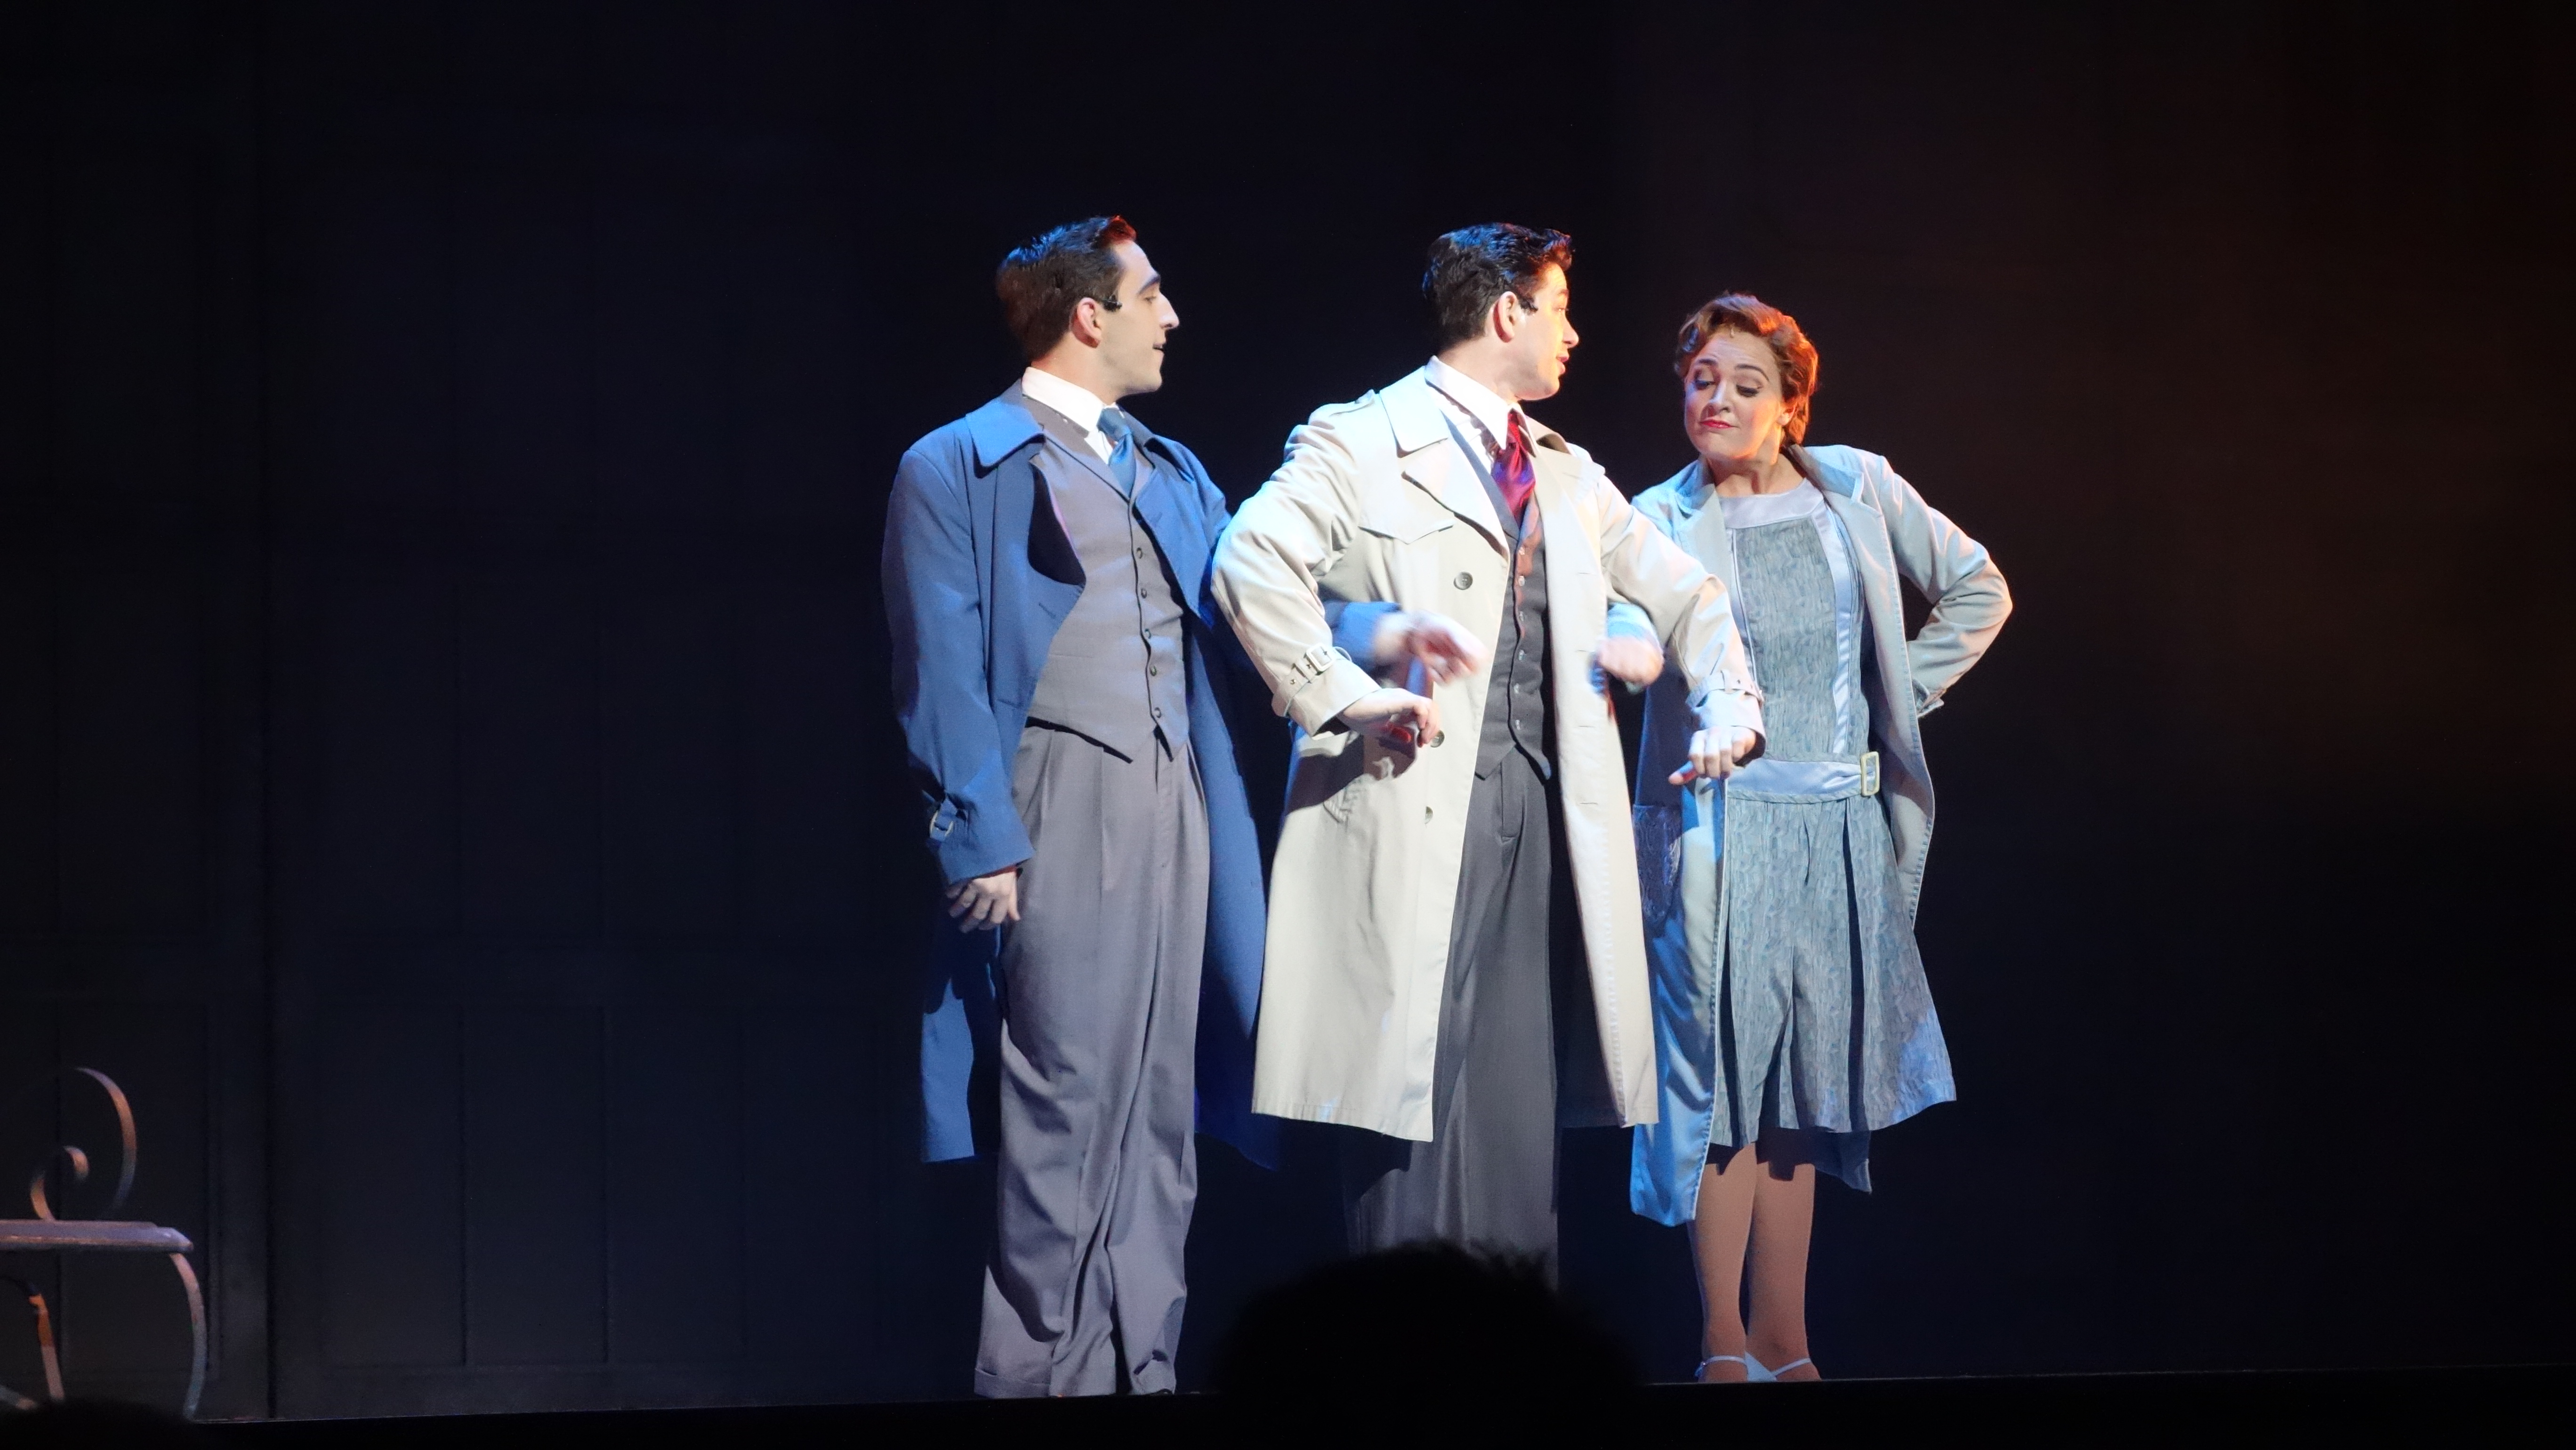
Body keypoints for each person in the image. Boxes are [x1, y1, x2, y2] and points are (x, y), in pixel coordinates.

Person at [1209, 224, 1765, 1269]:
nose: (1574, 334)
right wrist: (1345, 693)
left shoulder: (1563, 470)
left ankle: (1511, 1342)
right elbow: (1249, 563)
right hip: (1413, 791)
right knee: (1406, 1103)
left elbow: (1686, 590)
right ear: (1508, 312)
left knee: (1517, 1099)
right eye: (1560, 309)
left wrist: (1731, 703)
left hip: (1540, 807)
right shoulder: (1364, 438)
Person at [884, 216, 1271, 1396]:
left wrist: (1379, 642)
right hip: (1056, 788)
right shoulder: (958, 463)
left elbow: (1261, 603)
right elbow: (939, 664)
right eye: (1151, 295)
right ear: (1089, 315)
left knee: (1162, 1097)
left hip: (1178, 791)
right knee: (1064, 1095)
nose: (1172, 316)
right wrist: (981, 837)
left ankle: (1142, 1367)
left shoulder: (1171, 468)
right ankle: (1036, 1375)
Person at [1615, 294, 2010, 1381]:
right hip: (1720, 830)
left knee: (1802, 1094)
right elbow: (1629, 619)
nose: (1717, 399)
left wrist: (1897, 699)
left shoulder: (1856, 489)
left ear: (1792, 407)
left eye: (1746, 384)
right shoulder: (1656, 514)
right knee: (1721, 1089)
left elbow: (1979, 589)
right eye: (1702, 380)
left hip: (1835, 829)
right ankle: (1721, 1342)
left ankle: (1786, 1341)